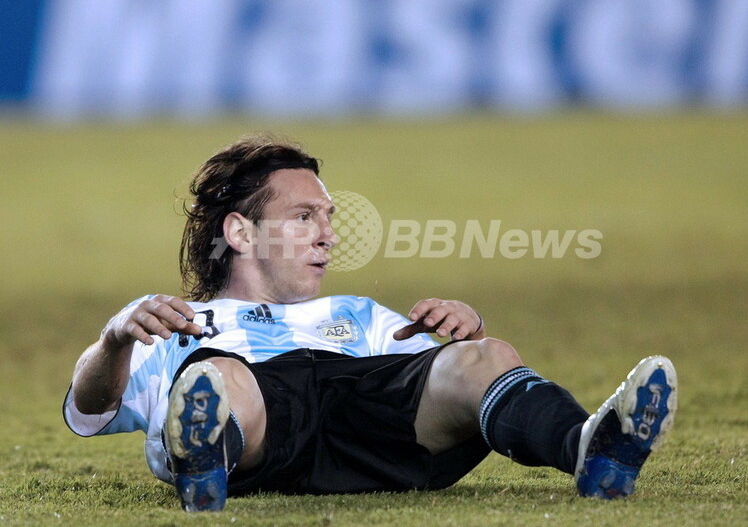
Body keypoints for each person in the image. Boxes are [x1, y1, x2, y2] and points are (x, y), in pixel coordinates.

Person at [64, 137, 677, 512]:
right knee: (221, 378)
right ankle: (206, 463)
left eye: (328, 217)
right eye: (305, 216)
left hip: (371, 427)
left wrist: (463, 336)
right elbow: (90, 410)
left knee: (488, 355)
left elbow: (439, 385)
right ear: (241, 233)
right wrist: (115, 337)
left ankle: (592, 451)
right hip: (265, 437)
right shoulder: (175, 321)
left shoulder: (359, 314)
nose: (329, 234)